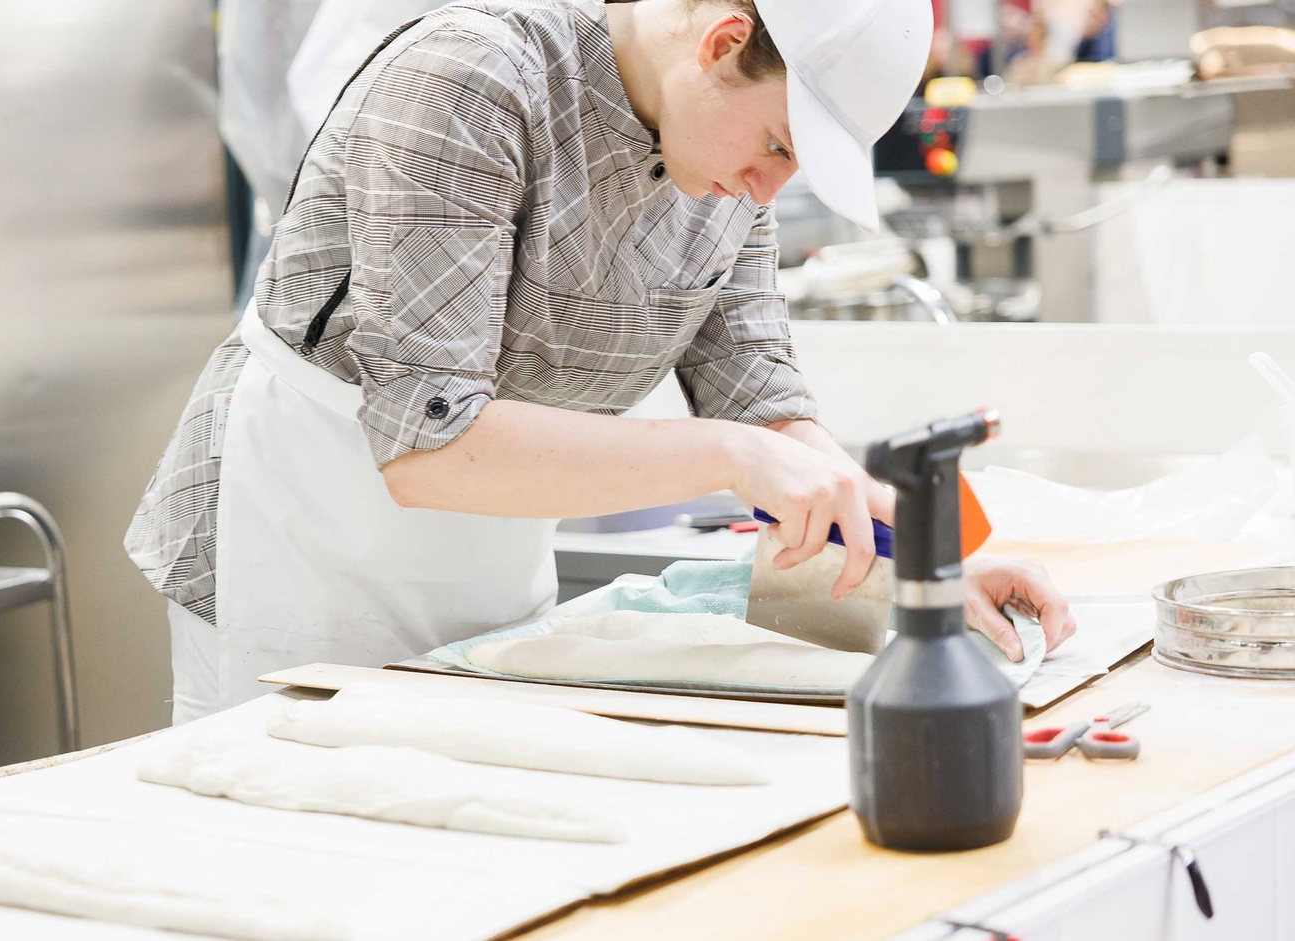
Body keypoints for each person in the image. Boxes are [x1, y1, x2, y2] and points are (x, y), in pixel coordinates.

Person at [128, 0, 1077, 725]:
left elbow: (759, 396)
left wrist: (917, 573)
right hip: (307, 536)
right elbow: (426, 444)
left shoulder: (721, 170)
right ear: (719, 43)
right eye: (779, 144)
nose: (769, 189)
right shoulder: (472, 79)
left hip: (490, 547)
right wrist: (731, 458)